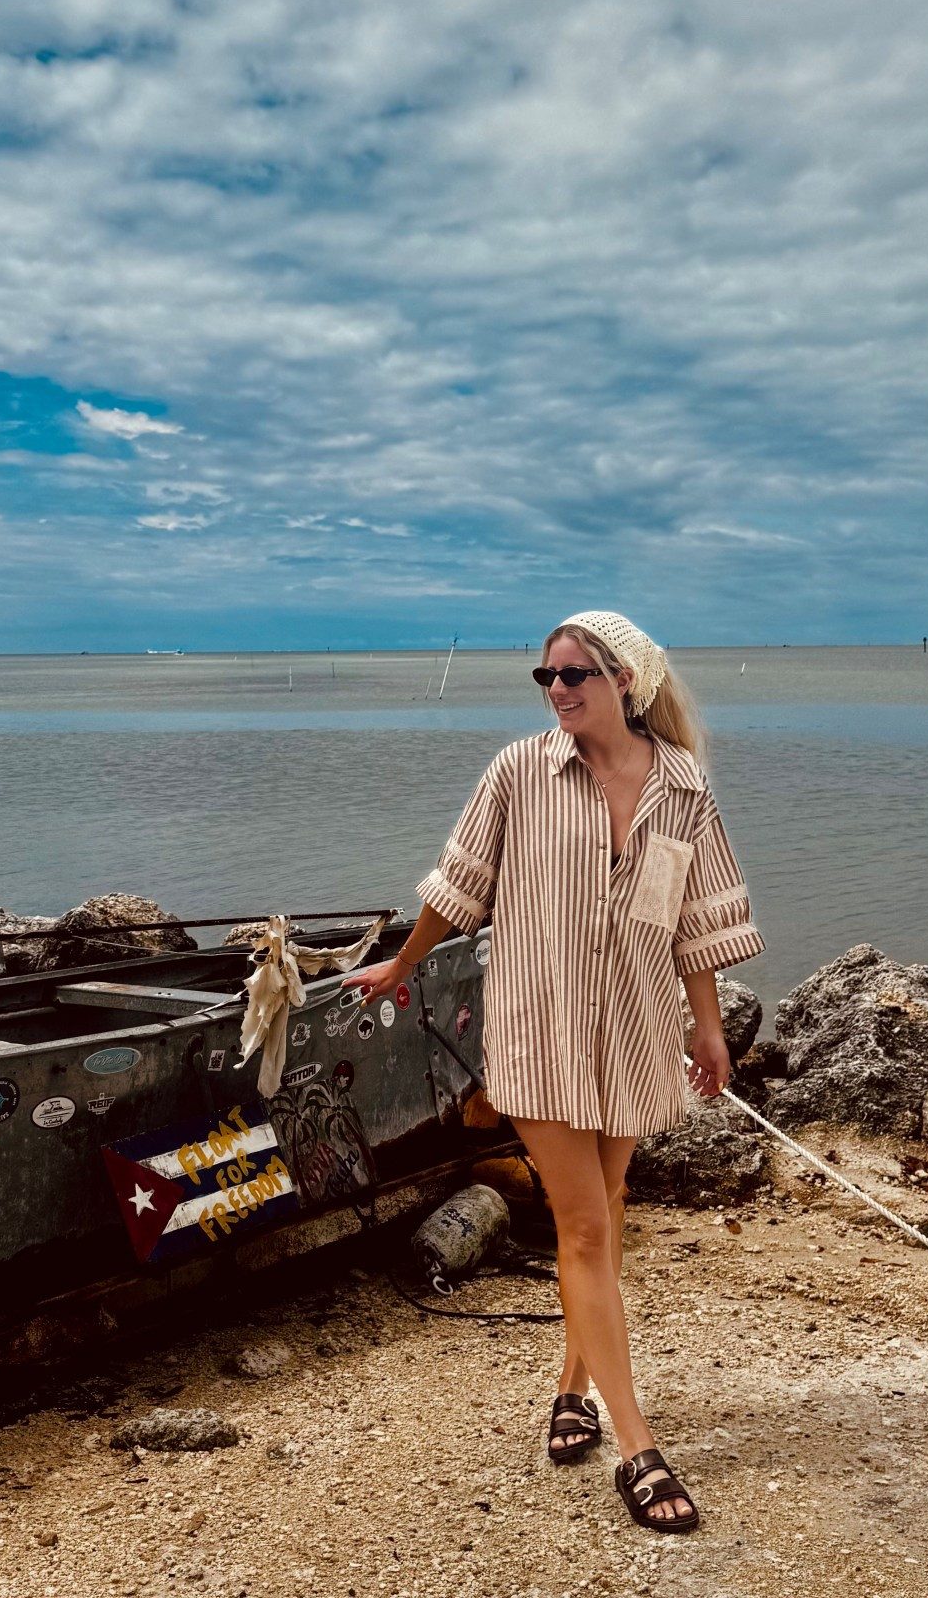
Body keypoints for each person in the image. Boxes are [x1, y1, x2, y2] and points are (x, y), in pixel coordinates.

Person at [347, 610, 764, 1534]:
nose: (558, 690)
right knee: (580, 1224)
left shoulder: (683, 789)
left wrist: (708, 1030)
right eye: (546, 677)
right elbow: (457, 887)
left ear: (625, 681)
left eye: (574, 674)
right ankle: (638, 1447)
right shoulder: (519, 773)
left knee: (605, 1209)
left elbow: (692, 924)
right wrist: (403, 964)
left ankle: (572, 1385)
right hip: (538, 1032)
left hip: (635, 1028)